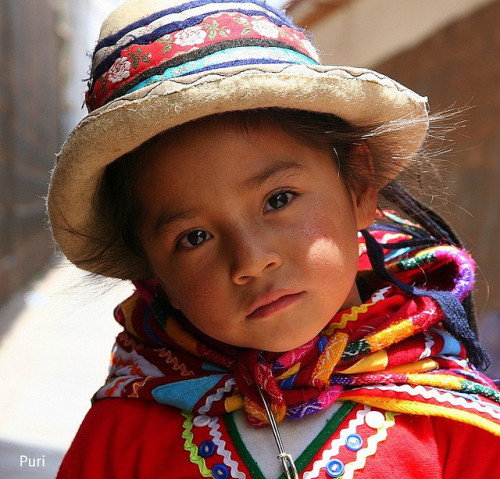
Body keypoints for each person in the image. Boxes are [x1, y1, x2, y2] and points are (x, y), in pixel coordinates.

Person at [48, 0, 500, 477]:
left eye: (279, 199)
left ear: (360, 185)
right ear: (153, 269)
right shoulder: (122, 434)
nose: (251, 259)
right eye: (194, 236)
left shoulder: (459, 431)